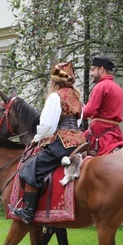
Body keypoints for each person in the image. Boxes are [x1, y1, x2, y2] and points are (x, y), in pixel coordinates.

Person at [10, 61, 86, 224]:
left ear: (55, 81)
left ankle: (28, 212)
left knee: (30, 168)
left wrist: (37, 138)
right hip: (79, 141)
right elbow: (78, 123)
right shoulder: (77, 98)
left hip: (63, 142)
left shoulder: (56, 97)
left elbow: (47, 126)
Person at [82, 55, 123, 155]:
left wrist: (75, 112)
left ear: (101, 69)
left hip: (100, 132)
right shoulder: (118, 88)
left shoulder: (101, 86)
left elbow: (89, 111)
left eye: (93, 70)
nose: (91, 74)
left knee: (72, 152)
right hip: (114, 132)